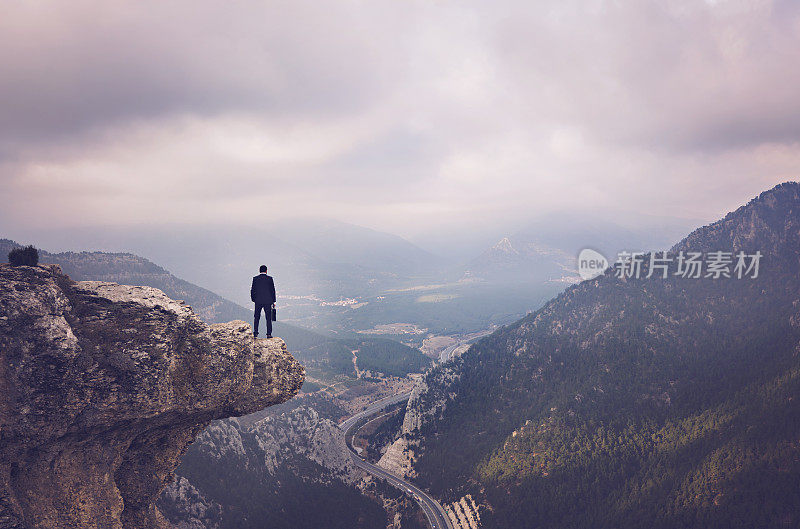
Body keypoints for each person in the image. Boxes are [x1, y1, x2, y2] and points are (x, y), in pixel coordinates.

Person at [251, 265, 276, 338]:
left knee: (257, 317)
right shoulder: (270, 279)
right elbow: (272, 291)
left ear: (259, 270)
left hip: (258, 301)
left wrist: (254, 299)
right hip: (268, 301)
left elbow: (252, 290)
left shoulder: (255, 279)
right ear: (266, 271)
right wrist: (273, 301)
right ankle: (268, 334)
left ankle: (255, 333)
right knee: (268, 318)